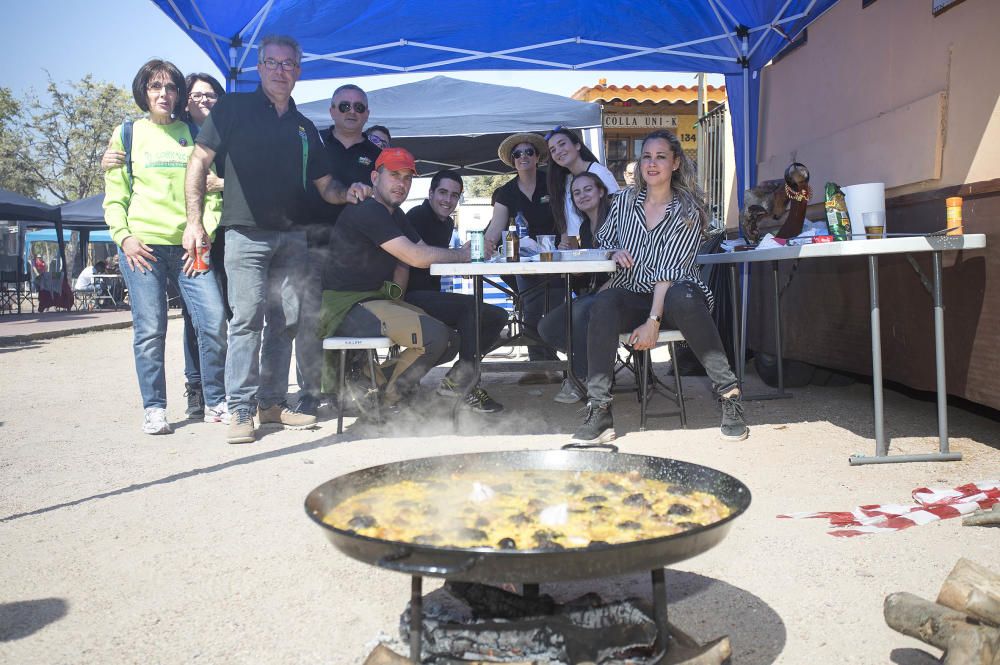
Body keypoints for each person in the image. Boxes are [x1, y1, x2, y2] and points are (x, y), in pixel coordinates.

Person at [185, 34, 372, 445]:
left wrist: (349, 192)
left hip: (293, 238)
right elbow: (198, 161)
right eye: (273, 62)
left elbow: (326, 186)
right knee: (246, 320)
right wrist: (194, 222)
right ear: (259, 66)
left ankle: (271, 403)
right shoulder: (232, 107)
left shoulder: (305, 127)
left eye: (289, 64)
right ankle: (239, 409)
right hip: (244, 235)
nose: (281, 70)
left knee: (286, 322)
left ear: (299, 71)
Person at [569, 130, 748, 445]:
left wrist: (653, 321)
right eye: (646, 157)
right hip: (634, 291)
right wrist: (614, 252)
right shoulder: (623, 201)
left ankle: (729, 394)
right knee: (605, 302)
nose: (652, 164)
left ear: (676, 162)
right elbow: (604, 239)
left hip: (677, 297)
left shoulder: (688, 210)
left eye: (661, 156)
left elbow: (670, 269)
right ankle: (599, 410)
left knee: (683, 295)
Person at [103, 59, 228, 436]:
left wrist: (203, 232)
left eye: (170, 87)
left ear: (179, 94)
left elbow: (212, 195)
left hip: (191, 246)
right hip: (143, 248)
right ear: (143, 91)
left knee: (213, 321)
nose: (163, 93)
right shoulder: (126, 134)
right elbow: (115, 195)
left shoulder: (195, 132)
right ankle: (155, 408)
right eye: (155, 86)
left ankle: (215, 400)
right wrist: (123, 237)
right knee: (150, 330)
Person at [320, 148, 471, 411]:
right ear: (375, 176)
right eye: (394, 175)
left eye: (407, 178)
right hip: (345, 309)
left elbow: (422, 250)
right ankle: (389, 398)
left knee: (451, 340)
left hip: (372, 302)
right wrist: (460, 255)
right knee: (435, 336)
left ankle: (370, 380)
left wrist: (462, 254)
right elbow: (414, 256)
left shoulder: (394, 214)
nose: (401, 183)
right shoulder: (369, 210)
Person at [294, 84, 382, 418]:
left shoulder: (377, 157)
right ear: (331, 110)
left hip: (360, 255)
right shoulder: (312, 145)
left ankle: (348, 390)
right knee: (309, 322)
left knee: (353, 322)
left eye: (359, 107)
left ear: (367, 114)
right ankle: (309, 393)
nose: (351, 112)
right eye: (344, 105)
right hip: (313, 247)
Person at [405, 169, 507, 412]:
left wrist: (465, 255)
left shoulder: (447, 222)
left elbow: (440, 260)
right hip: (409, 295)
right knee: (471, 310)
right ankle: (465, 385)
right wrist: (461, 256)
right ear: (430, 193)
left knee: (497, 316)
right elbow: (420, 258)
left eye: (454, 195)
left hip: (431, 294)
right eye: (442, 192)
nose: (447, 200)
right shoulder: (416, 216)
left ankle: (456, 380)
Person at [483, 132, 562, 384]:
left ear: (538, 157)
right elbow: (495, 228)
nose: (523, 156)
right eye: (518, 153)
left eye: (529, 152)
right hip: (524, 261)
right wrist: (480, 246)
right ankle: (540, 366)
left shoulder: (552, 181)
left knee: (556, 311)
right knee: (531, 311)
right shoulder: (506, 192)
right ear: (513, 160)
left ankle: (563, 364)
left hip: (557, 258)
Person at [538, 171, 613, 404]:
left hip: (621, 290)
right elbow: (590, 270)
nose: (582, 196)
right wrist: (570, 257)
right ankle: (596, 362)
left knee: (581, 311)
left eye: (588, 189)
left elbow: (629, 265)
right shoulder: (583, 229)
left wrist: (602, 291)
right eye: (576, 193)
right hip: (594, 292)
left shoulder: (615, 220)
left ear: (601, 191)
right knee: (547, 327)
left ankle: (580, 378)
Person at [545, 126, 619, 239]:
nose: (558, 151)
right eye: (553, 150)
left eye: (562, 144)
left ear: (577, 145)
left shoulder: (599, 172)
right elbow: (571, 228)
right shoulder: (567, 181)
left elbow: (618, 211)